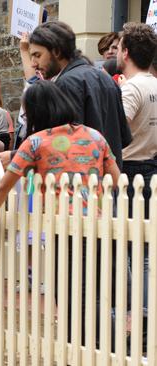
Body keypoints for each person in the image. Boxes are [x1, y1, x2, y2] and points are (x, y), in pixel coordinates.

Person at [0, 80, 121, 344]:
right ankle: (104, 347)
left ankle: (76, 347)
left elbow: (4, 185)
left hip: (64, 227)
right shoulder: (95, 136)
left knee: (69, 293)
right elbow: (116, 179)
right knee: (97, 292)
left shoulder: (36, 142)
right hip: (99, 225)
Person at [28, 21, 132, 169]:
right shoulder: (107, 79)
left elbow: (62, 143)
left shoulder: (65, 84)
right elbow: (124, 139)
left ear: (56, 51)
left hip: (80, 183)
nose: (33, 63)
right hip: (109, 184)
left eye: (37, 55)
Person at [115, 21, 157, 351]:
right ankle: (145, 321)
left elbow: (117, 130)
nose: (115, 52)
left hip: (129, 171)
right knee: (144, 252)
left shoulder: (130, 88)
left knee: (130, 252)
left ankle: (139, 324)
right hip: (151, 169)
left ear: (126, 52)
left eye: (118, 47)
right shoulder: (155, 84)